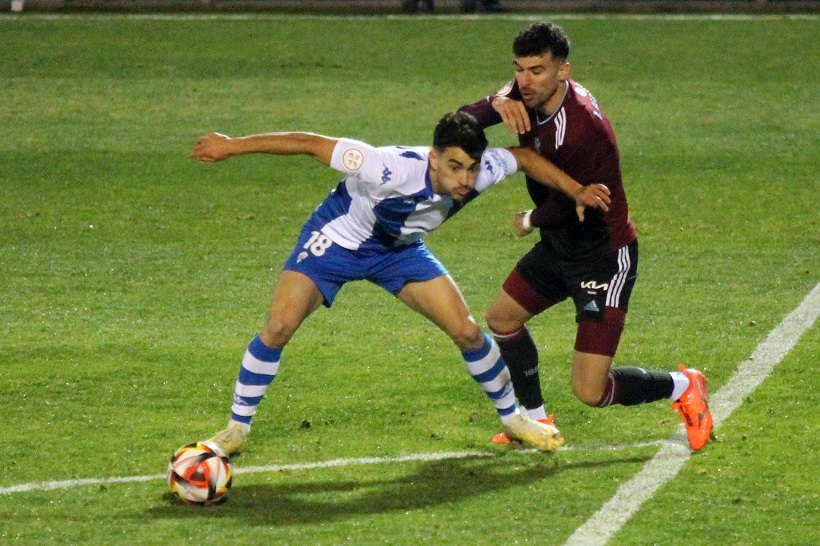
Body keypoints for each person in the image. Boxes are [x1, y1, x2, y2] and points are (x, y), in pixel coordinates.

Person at [189, 112, 611, 457]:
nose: (464, 180)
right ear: (433, 159)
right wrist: (232, 146)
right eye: (454, 167)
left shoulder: (480, 172)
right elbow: (309, 142)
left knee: (465, 330)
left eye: (471, 168)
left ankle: (514, 419)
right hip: (338, 240)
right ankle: (236, 429)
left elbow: (522, 156)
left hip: (399, 251)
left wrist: (576, 190)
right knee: (279, 327)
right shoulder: (386, 166)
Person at [458, 22, 713, 450]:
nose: (526, 80)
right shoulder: (523, 92)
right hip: (561, 246)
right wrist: (497, 102)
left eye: (537, 70)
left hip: (602, 254)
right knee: (502, 320)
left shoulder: (582, 131)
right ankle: (536, 423)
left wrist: (531, 220)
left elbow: (584, 201)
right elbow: (465, 121)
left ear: (564, 71)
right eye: (519, 70)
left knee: (590, 392)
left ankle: (683, 385)